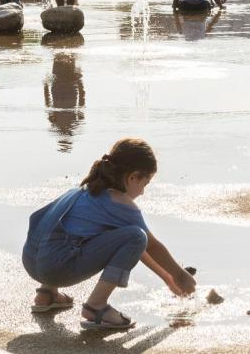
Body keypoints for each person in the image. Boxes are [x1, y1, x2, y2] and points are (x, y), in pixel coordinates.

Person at [21, 138, 196, 330]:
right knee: (137, 235)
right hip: (56, 269)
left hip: (32, 262)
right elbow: (148, 244)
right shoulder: (120, 202)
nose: (143, 191)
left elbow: (137, 249)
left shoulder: (83, 190)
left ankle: (47, 294)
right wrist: (180, 275)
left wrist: (167, 278)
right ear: (133, 177)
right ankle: (96, 306)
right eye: (145, 183)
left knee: (72, 237)